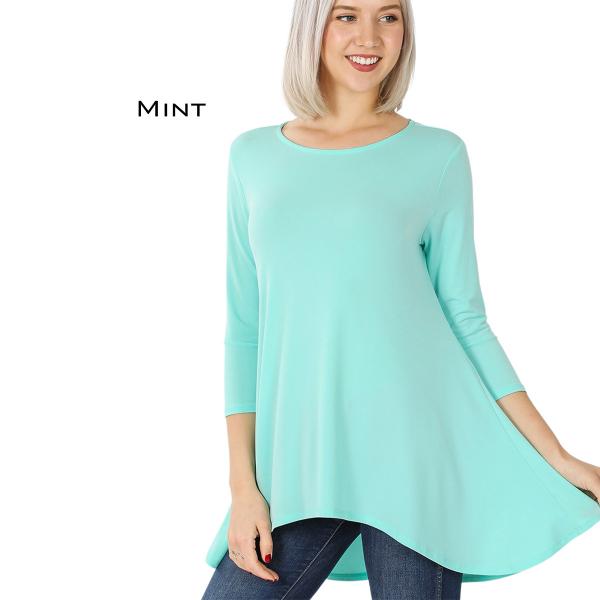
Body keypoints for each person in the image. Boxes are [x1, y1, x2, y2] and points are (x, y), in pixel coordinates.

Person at [202, 0, 600, 598]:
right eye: (347, 15)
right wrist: (243, 486)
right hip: (302, 466)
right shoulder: (252, 155)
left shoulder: (438, 154)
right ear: (313, 26)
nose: (370, 36)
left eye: (389, 17)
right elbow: (244, 330)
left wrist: (558, 457)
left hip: (418, 464)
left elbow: (465, 319)